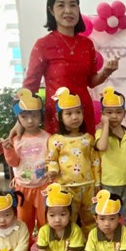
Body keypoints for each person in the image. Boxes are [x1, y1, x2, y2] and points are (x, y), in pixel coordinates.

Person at [20, 0, 119, 135]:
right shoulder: (43, 44)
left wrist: (106, 72)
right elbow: (30, 86)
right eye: (61, 5)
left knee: (87, 149)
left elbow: (91, 82)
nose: (68, 10)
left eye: (73, 5)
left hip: (83, 114)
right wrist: (20, 123)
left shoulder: (87, 44)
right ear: (51, 10)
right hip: (58, 116)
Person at [46, 88, 99, 235]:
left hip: (88, 186)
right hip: (66, 187)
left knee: (91, 219)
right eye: (69, 114)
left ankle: (90, 243)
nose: (75, 117)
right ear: (59, 117)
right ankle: (71, 244)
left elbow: (95, 161)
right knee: (68, 219)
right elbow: (52, 159)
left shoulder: (88, 138)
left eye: (78, 112)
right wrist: (52, 170)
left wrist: (97, 183)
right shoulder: (55, 140)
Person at [2, 88, 50, 240]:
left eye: (34, 115)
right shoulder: (16, 140)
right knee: (24, 221)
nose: (30, 121)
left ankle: (45, 247)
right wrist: (8, 150)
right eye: (24, 116)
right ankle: (25, 248)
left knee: (45, 220)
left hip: (44, 187)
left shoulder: (48, 138)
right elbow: (13, 162)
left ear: (40, 115)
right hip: (22, 188)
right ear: (18, 118)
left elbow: (52, 160)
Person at [20, 183, 85, 251]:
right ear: (46, 216)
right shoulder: (44, 231)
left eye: (62, 214)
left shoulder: (75, 230)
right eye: (52, 215)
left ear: (70, 215)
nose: (57, 219)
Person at [95, 86, 126, 231]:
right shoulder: (100, 134)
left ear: (124, 114)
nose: (114, 116)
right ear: (102, 114)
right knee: (109, 212)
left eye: (118, 112)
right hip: (109, 182)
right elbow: (102, 146)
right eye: (109, 112)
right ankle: (111, 236)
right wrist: (105, 124)